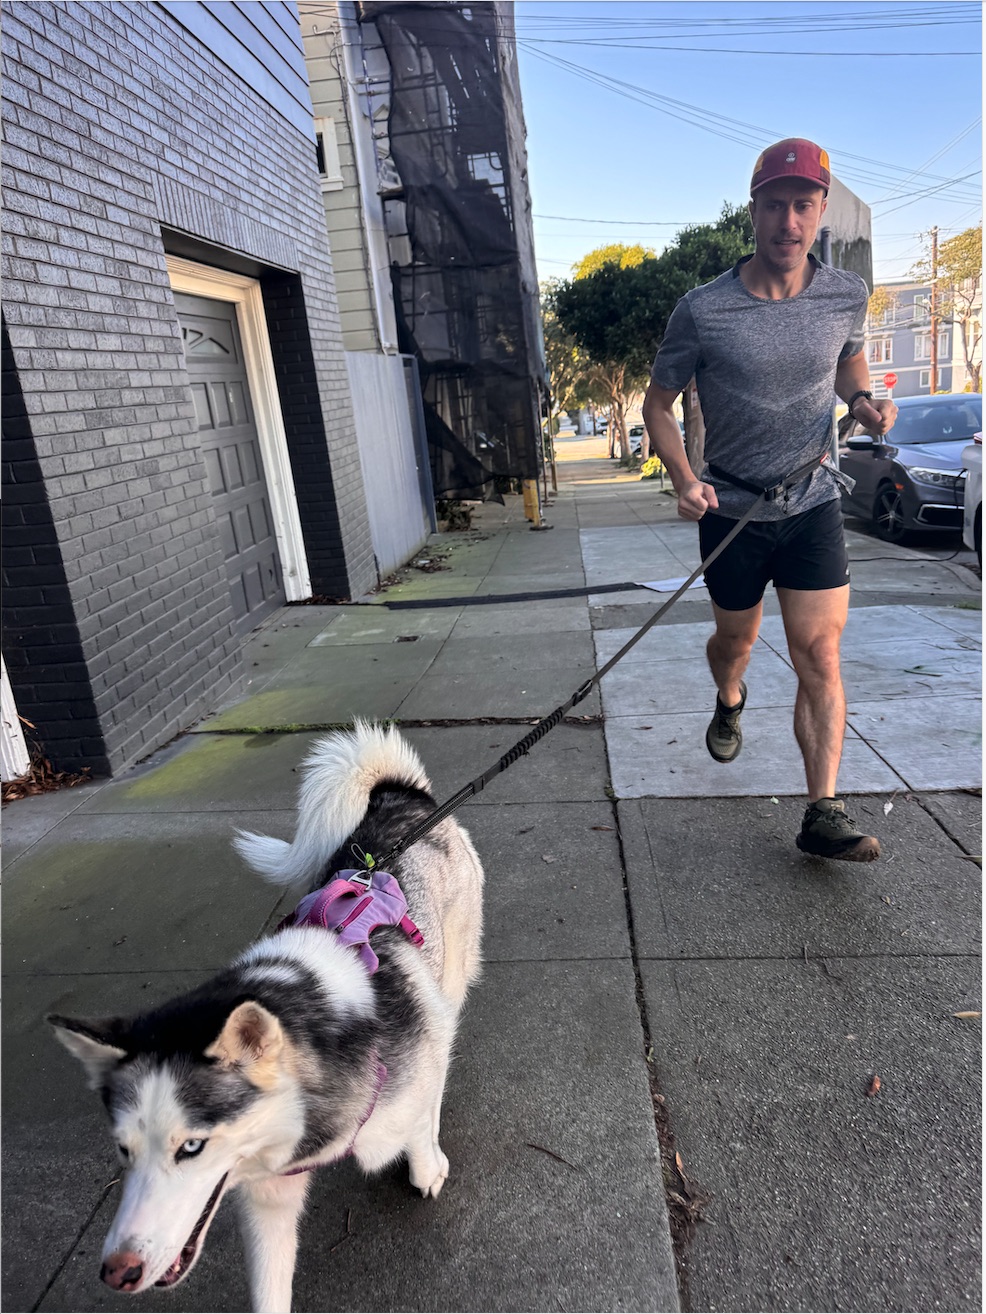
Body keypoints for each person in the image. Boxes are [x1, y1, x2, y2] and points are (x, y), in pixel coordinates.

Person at [641, 138, 897, 862]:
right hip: (733, 508)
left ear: (819, 213)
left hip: (814, 498)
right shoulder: (704, 310)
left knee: (819, 651)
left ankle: (823, 810)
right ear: (753, 211)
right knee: (738, 644)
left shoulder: (845, 294)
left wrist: (866, 401)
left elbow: (848, 361)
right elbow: (658, 406)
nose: (790, 220)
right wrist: (685, 478)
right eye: (776, 205)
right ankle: (729, 697)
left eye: (804, 205)